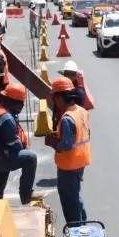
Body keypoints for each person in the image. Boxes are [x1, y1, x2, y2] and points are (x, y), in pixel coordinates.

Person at [47, 77, 91, 223]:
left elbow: (66, 146)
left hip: (69, 164)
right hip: (81, 160)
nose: (54, 101)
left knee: (69, 198)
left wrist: (54, 143)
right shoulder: (81, 111)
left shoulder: (67, 118)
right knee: (75, 194)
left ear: (61, 97)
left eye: (55, 97)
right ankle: (82, 222)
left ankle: (76, 229)